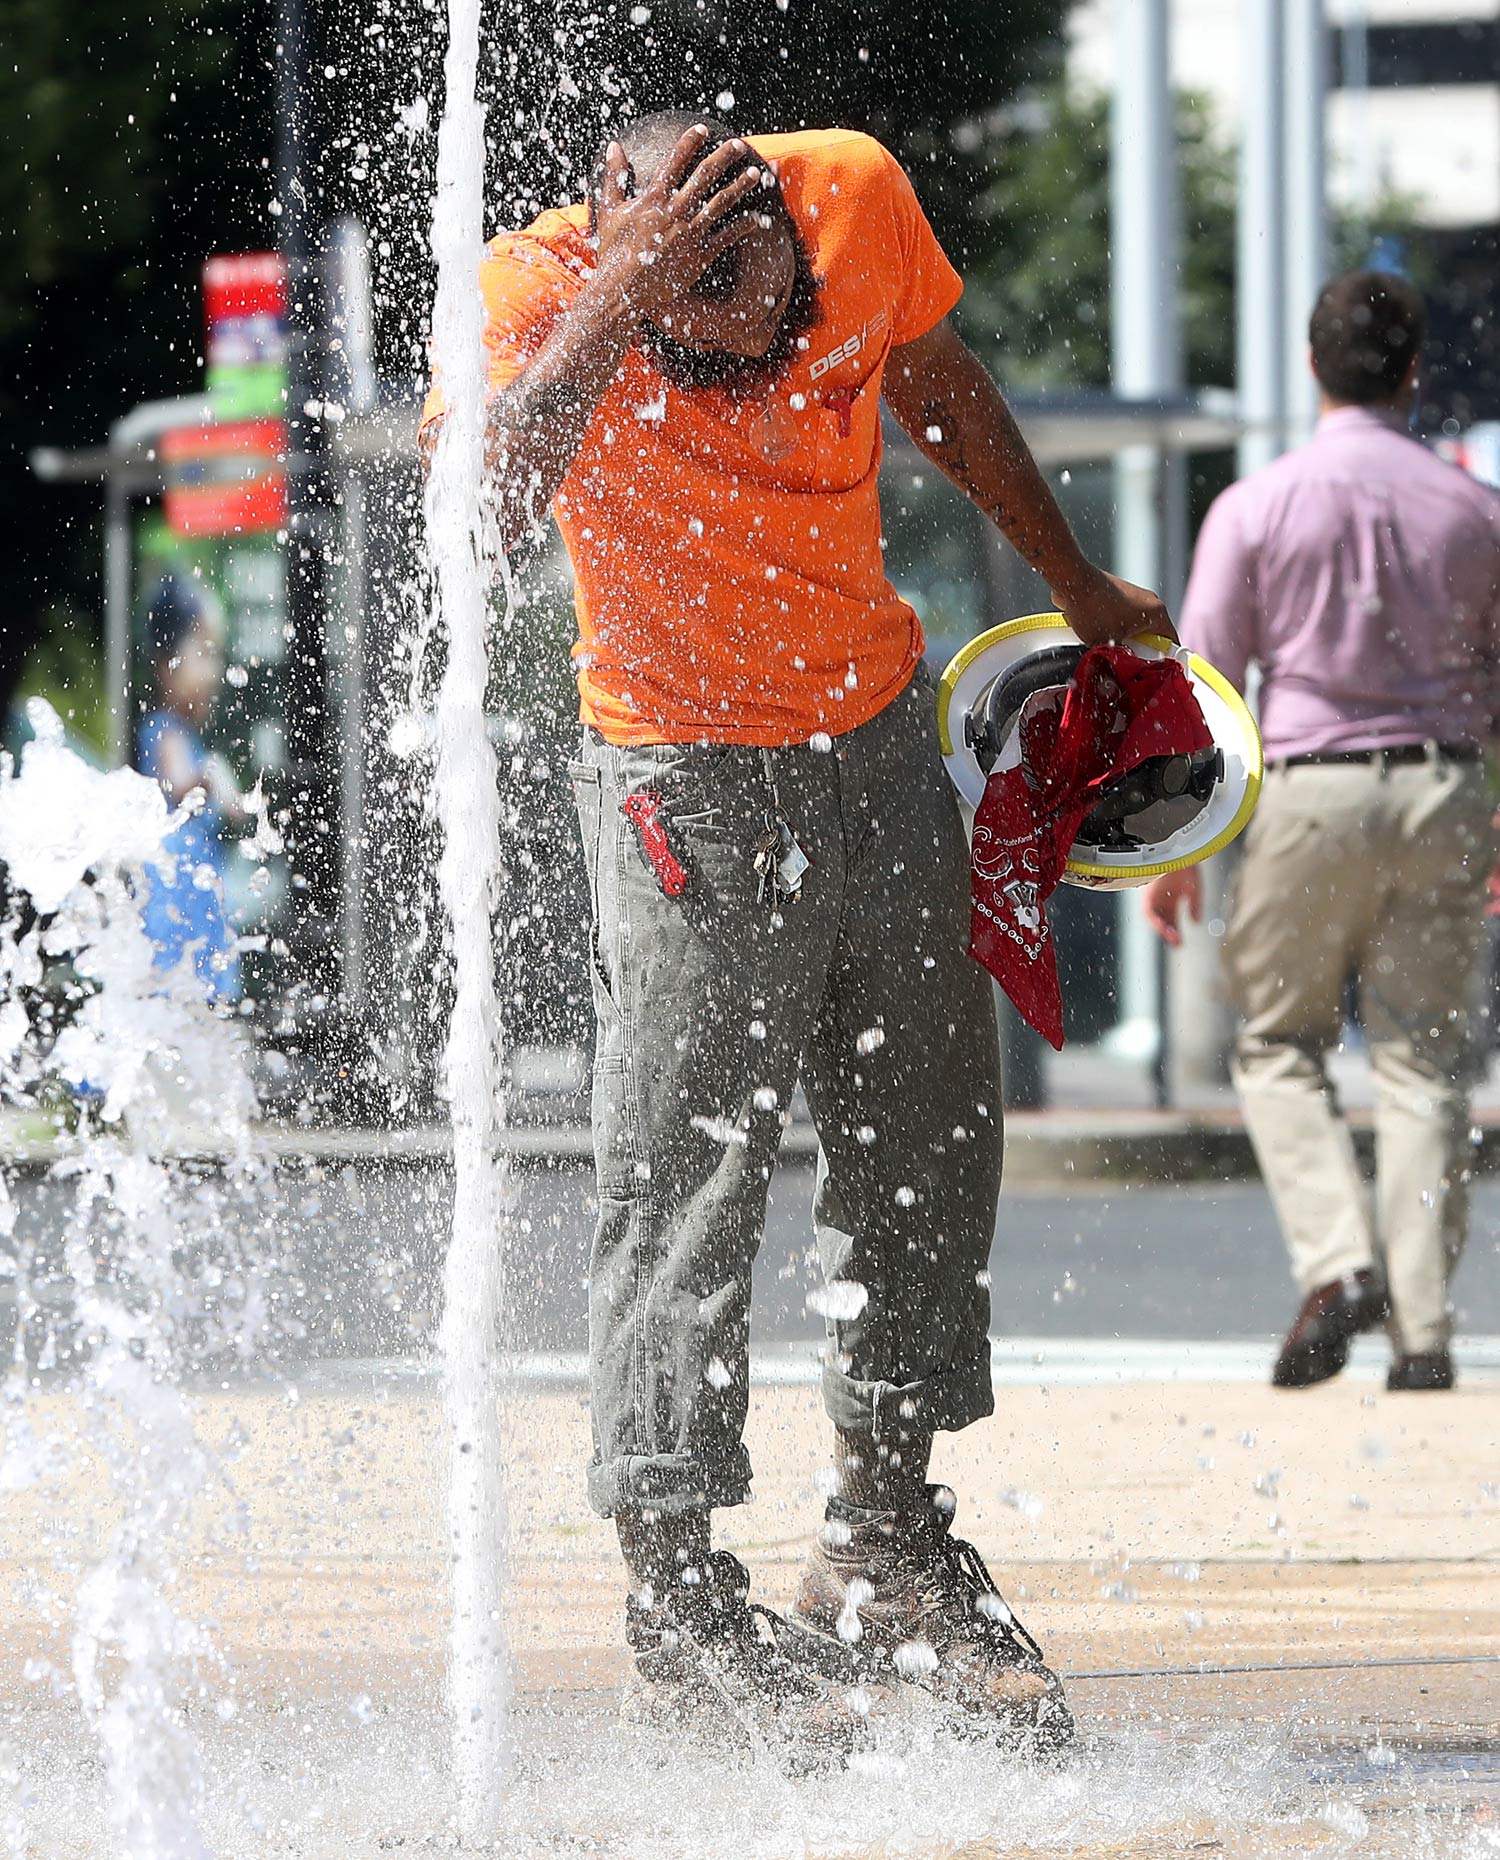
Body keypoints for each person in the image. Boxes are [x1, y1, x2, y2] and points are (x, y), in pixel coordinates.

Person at [422, 114, 1170, 1762]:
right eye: (690, 307)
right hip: (677, 783)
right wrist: (613, 303)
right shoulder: (535, 294)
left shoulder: (853, 197)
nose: (748, 342)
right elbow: (471, 531)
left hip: (877, 744)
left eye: (765, 301)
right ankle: (679, 1601)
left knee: (932, 1143)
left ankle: (888, 1543)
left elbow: (941, 387)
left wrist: (1079, 583)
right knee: (684, 1179)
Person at [1144, 270, 1500, 1397]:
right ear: (1413, 369)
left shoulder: (1256, 506)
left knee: (1279, 1043)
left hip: (1304, 788)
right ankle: (1427, 1331)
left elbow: (1206, 688)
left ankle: (1338, 1261)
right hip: (1442, 787)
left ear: (1311, 368)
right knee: (1424, 1059)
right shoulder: (1477, 510)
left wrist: (1179, 851)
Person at [137, 573, 246, 1006]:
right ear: (167, 665)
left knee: (197, 1011)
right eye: (203, 654)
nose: (214, 671)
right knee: (180, 1000)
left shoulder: (186, 736)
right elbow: (179, 784)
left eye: (215, 655)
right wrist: (211, 777)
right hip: (174, 900)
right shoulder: (166, 732)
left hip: (194, 897)